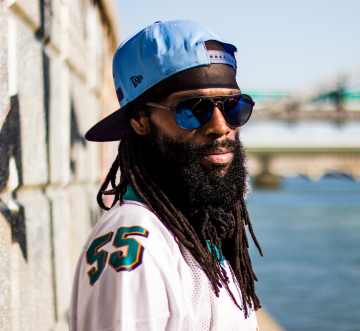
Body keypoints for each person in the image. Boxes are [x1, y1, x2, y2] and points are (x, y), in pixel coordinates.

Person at [70, 20, 263, 331]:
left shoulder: (200, 231)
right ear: (141, 121)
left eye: (232, 106)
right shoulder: (137, 242)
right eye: (193, 108)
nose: (221, 125)